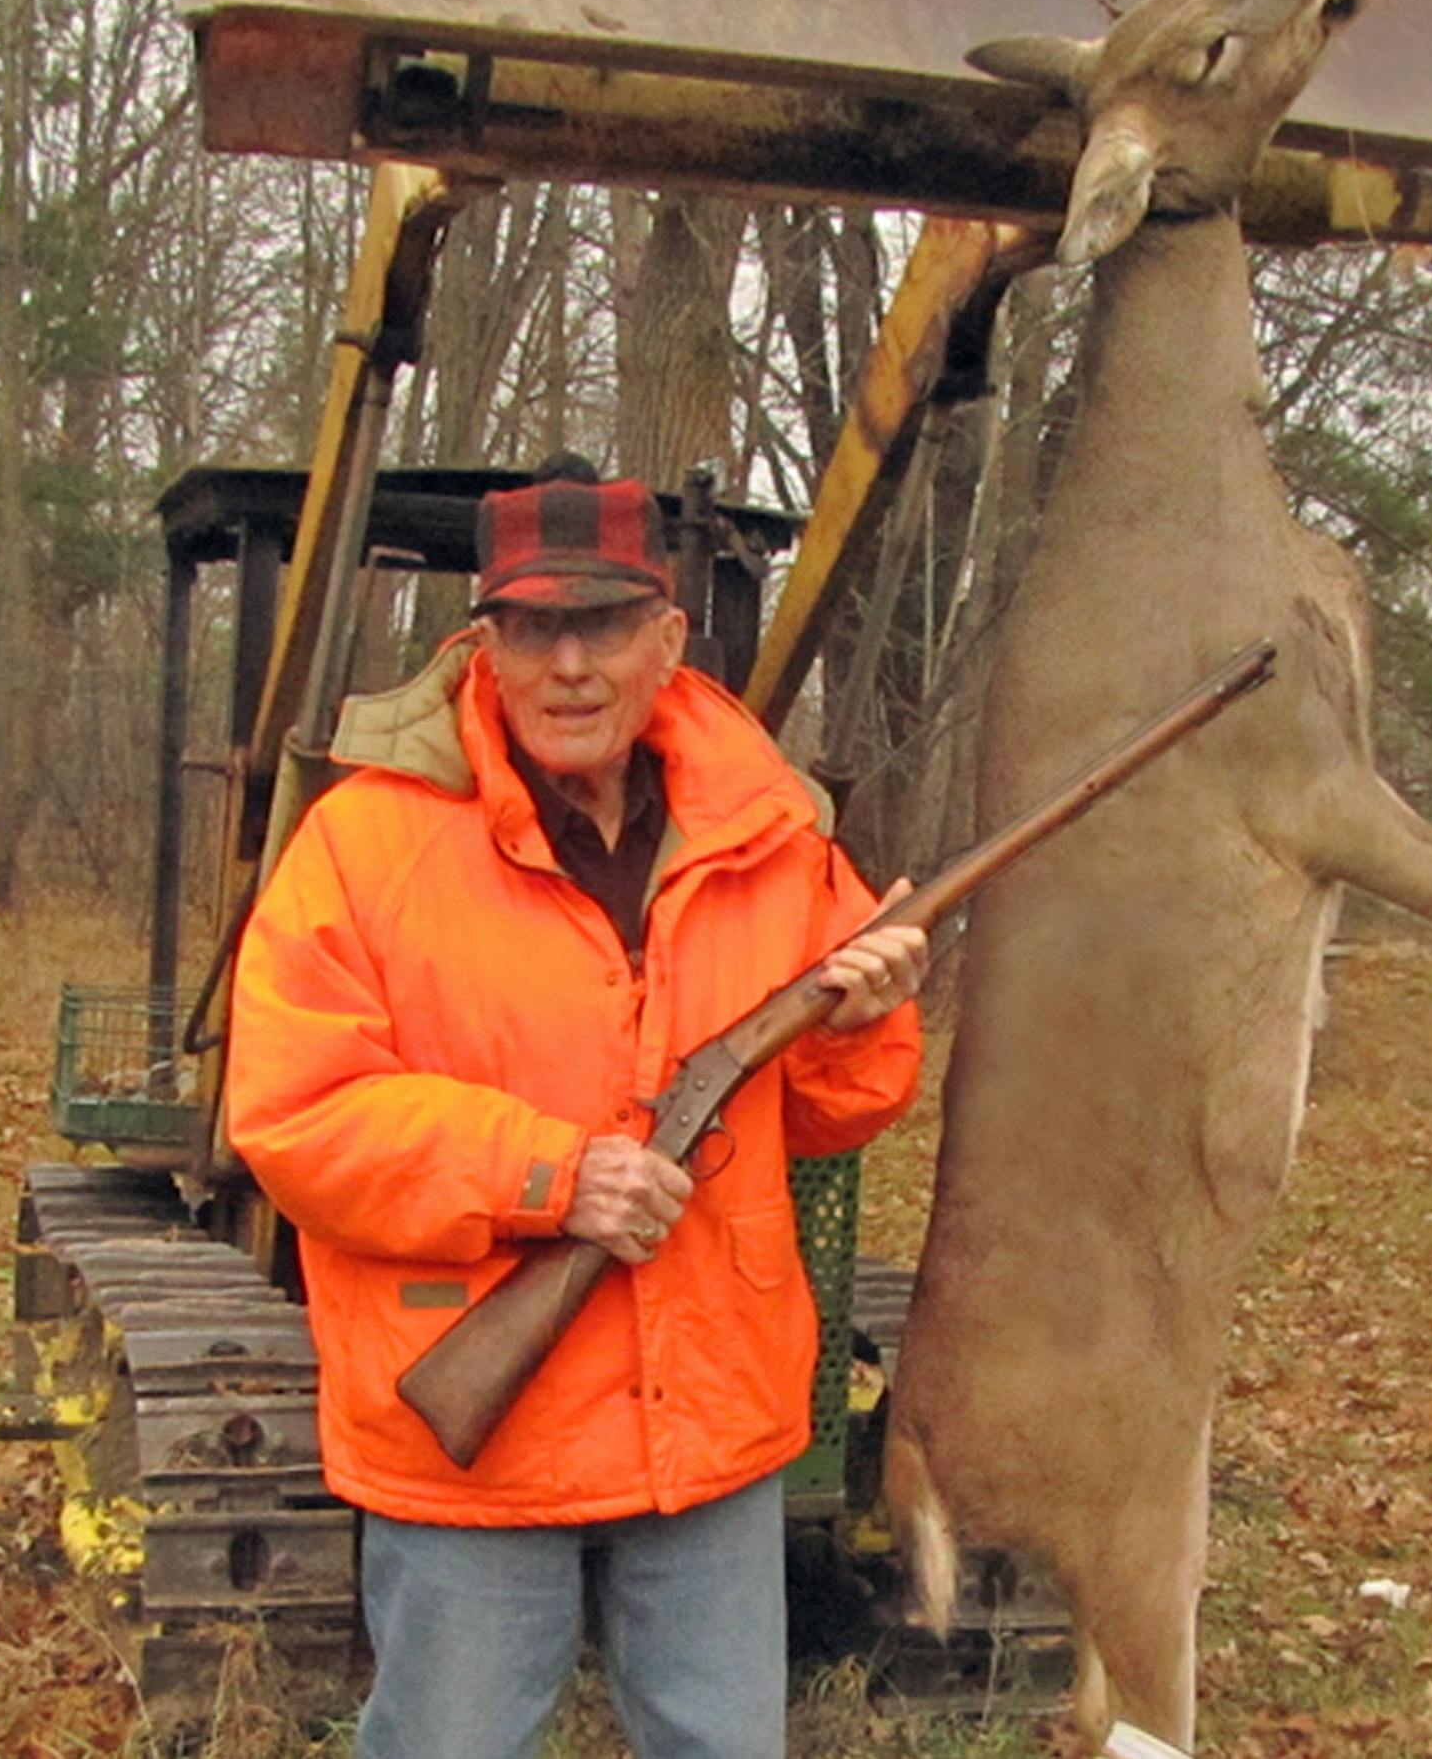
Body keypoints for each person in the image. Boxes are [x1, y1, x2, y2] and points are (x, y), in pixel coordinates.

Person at [225, 465, 927, 1759]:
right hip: (479, 1435)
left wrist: (869, 1009)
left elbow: (828, 1115)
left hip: (709, 1413)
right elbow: (295, 1112)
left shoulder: (775, 835)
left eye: (601, 625)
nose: (569, 664)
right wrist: (550, 1176)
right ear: (482, 641)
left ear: (666, 637)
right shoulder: (364, 843)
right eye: (535, 628)